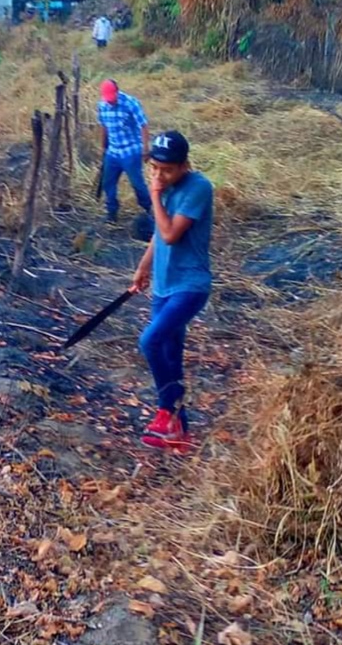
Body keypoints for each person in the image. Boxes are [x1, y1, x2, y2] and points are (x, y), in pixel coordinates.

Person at [128, 131, 213, 452]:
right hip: (163, 285)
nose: (159, 175)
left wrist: (153, 195)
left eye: (166, 170)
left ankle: (166, 412)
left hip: (189, 285)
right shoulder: (164, 187)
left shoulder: (199, 188)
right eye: (154, 168)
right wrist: (143, 268)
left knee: (150, 340)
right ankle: (181, 435)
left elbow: (171, 233)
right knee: (170, 356)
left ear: (184, 166)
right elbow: (157, 236)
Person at [97, 79, 152, 226]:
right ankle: (111, 213)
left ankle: (149, 209)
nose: (110, 101)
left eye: (112, 98)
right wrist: (103, 146)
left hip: (130, 150)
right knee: (108, 183)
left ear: (117, 92)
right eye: (108, 99)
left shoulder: (130, 103)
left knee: (137, 183)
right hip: (113, 151)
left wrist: (146, 149)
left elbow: (143, 125)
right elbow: (103, 126)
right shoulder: (102, 105)